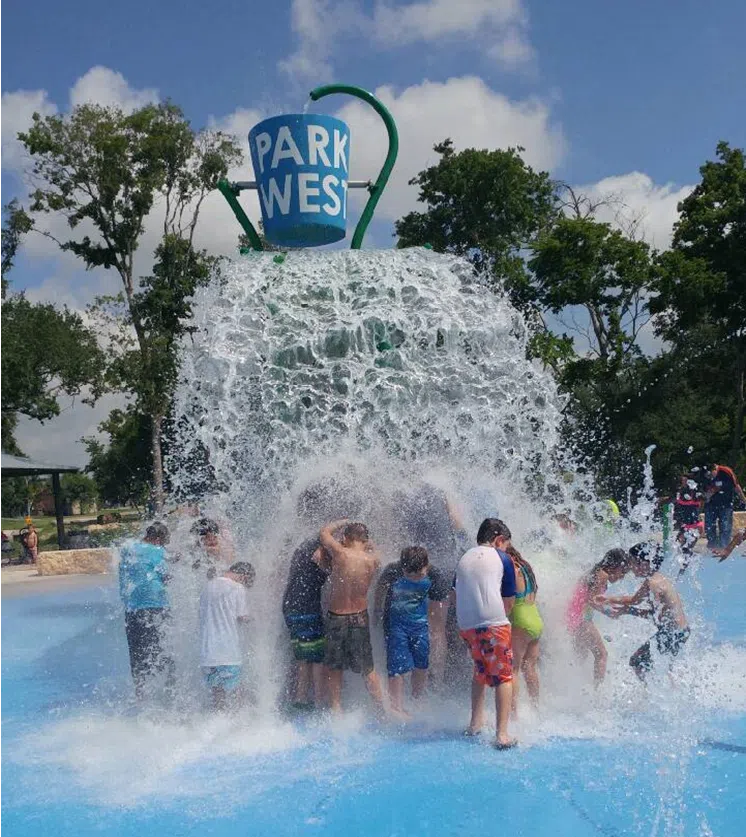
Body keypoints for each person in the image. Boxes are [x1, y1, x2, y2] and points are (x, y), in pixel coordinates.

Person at [454, 518, 517, 749]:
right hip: (493, 622)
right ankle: (502, 734)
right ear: (499, 539)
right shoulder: (502, 558)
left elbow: (456, 592)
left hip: (466, 625)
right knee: (503, 676)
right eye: (506, 544)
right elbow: (509, 601)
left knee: (480, 671)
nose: (506, 548)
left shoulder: (463, 558)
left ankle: (475, 724)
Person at [374, 546, 450, 717]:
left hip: (420, 625)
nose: (415, 578)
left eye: (419, 574)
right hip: (395, 625)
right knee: (396, 666)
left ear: (426, 565)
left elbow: (439, 609)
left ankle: (417, 701)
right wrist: (377, 612)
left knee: (421, 664)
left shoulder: (435, 576)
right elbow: (380, 587)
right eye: (409, 574)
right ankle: (396, 707)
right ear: (403, 567)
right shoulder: (393, 570)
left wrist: (434, 632)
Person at [319, 519, 384, 714]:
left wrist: (344, 521)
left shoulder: (340, 553)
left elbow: (324, 532)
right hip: (359, 617)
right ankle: (381, 711)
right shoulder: (374, 560)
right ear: (364, 540)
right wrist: (368, 544)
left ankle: (336, 709)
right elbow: (373, 548)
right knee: (368, 668)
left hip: (337, 616)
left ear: (346, 538)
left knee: (334, 666)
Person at [602, 543, 690, 681]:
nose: (630, 568)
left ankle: (648, 694)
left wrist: (627, 610)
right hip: (680, 631)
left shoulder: (654, 585)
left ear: (644, 563)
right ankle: (670, 691)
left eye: (632, 563)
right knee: (663, 666)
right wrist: (608, 599)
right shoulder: (655, 579)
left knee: (637, 661)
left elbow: (653, 616)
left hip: (672, 632)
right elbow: (633, 600)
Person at [118, 523, 174, 700]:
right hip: (156, 607)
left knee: (137, 655)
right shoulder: (158, 551)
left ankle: (140, 695)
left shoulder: (127, 548)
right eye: (163, 543)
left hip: (132, 609)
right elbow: (166, 577)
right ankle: (169, 692)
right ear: (157, 540)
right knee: (163, 651)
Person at [566, 548, 631, 686]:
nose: (622, 577)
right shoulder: (602, 575)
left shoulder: (595, 572)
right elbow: (591, 599)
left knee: (581, 655)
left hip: (574, 616)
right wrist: (608, 612)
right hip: (582, 619)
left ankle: (574, 686)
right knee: (602, 655)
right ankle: (597, 694)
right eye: (622, 572)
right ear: (614, 566)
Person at [199, 561, 256, 710]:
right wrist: (256, 618)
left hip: (207, 655)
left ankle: (219, 725)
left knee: (218, 698)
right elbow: (242, 617)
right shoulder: (237, 588)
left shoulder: (207, 586)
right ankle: (240, 727)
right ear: (243, 576)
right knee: (237, 694)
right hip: (228, 652)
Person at [282, 538, 330, 711]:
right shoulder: (316, 564)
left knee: (303, 655)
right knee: (317, 657)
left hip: (291, 609)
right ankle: (318, 700)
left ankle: (300, 698)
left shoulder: (299, 560)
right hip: (307, 610)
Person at [505, 545, 543, 713]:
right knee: (530, 667)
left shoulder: (512, 568)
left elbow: (508, 600)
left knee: (513, 669)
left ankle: (513, 715)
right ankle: (536, 709)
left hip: (521, 622)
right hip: (536, 620)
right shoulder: (526, 567)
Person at [703, 463, 746, 550]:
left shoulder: (726, 471)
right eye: (709, 475)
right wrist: (709, 494)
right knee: (709, 527)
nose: (711, 477)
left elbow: (736, 486)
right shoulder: (704, 473)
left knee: (725, 527)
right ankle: (712, 547)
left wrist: (744, 499)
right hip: (710, 505)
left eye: (712, 474)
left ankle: (724, 548)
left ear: (715, 468)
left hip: (726, 504)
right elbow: (703, 492)